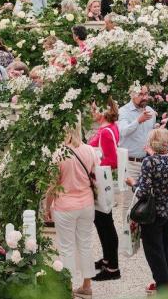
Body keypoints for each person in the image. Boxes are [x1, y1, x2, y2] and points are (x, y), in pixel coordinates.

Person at [45, 123, 98, 299]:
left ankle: (68, 287)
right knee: (85, 243)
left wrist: (47, 207)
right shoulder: (90, 150)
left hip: (65, 206)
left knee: (66, 247)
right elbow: (95, 176)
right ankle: (86, 285)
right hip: (87, 204)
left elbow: (53, 185)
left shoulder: (59, 154)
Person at [125, 128, 168, 294]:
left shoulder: (149, 162)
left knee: (154, 251)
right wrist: (152, 154)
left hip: (153, 212)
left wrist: (132, 183)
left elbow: (144, 191)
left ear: (151, 143)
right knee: (165, 248)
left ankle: (163, 288)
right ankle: (165, 283)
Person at [87, 98, 121, 281]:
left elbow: (113, 160)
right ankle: (108, 259)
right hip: (100, 181)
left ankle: (113, 267)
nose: (92, 111)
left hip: (100, 181)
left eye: (94, 108)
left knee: (105, 223)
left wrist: (95, 165)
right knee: (103, 223)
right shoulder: (109, 128)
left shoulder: (106, 131)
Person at [118, 84, 157, 203]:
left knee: (147, 202)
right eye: (141, 94)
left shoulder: (150, 111)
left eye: (146, 94)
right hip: (130, 163)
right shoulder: (124, 111)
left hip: (148, 162)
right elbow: (123, 131)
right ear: (132, 95)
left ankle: (143, 223)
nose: (145, 97)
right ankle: (127, 222)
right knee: (129, 202)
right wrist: (138, 121)